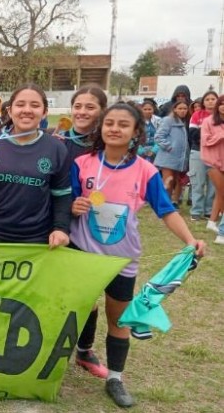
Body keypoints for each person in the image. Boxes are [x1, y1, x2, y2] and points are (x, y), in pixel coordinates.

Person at [69, 103, 206, 408]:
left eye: (123, 125)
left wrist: (189, 239)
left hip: (122, 258)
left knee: (119, 318)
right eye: (109, 124)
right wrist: (72, 206)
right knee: (82, 308)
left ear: (135, 132)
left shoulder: (145, 170)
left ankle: (115, 378)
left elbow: (165, 210)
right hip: (83, 253)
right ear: (100, 128)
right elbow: (63, 201)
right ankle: (83, 351)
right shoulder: (82, 164)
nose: (115, 129)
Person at [0, 83, 71, 248]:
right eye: (20, 104)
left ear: (44, 112)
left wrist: (61, 228)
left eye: (35, 105)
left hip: (35, 240)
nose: (27, 110)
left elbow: (62, 195)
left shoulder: (56, 148)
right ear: (9, 110)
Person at [187, 92, 218, 221]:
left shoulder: (220, 117)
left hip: (217, 155)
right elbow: (193, 135)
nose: (210, 101)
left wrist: (208, 136)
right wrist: (212, 136)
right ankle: (196, 211)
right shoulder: (196, 115)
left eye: (213, 99)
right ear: (203, 102)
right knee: (197, 183)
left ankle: (209, 211)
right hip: (198, 152)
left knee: (213, 184)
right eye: (207, 99)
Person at [55, 85, 108, 161]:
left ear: (103, 110)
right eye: (77, 106)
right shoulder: (57, 139)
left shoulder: (106, 144)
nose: (82, 112)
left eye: (90, 107)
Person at [153, 99, 190, 204]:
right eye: (180, 108)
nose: (183, 111)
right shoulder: (168, 120)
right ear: (174, 109)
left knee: (178, 181)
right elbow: (158, 137)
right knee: (168, 181)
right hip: (168, 157)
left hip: (181, 158)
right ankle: (165, 203)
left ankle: (174, 202)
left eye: (185, 108)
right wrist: (169, 147)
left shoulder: (185, 122)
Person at [201, 94, 224, 240]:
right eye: (222, 103)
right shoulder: (208, 121)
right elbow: (206, 141)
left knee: (220, 193)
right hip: (212, 161)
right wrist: (221, 134)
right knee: (223, 191)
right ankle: (221, 232)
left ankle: (212, 221)